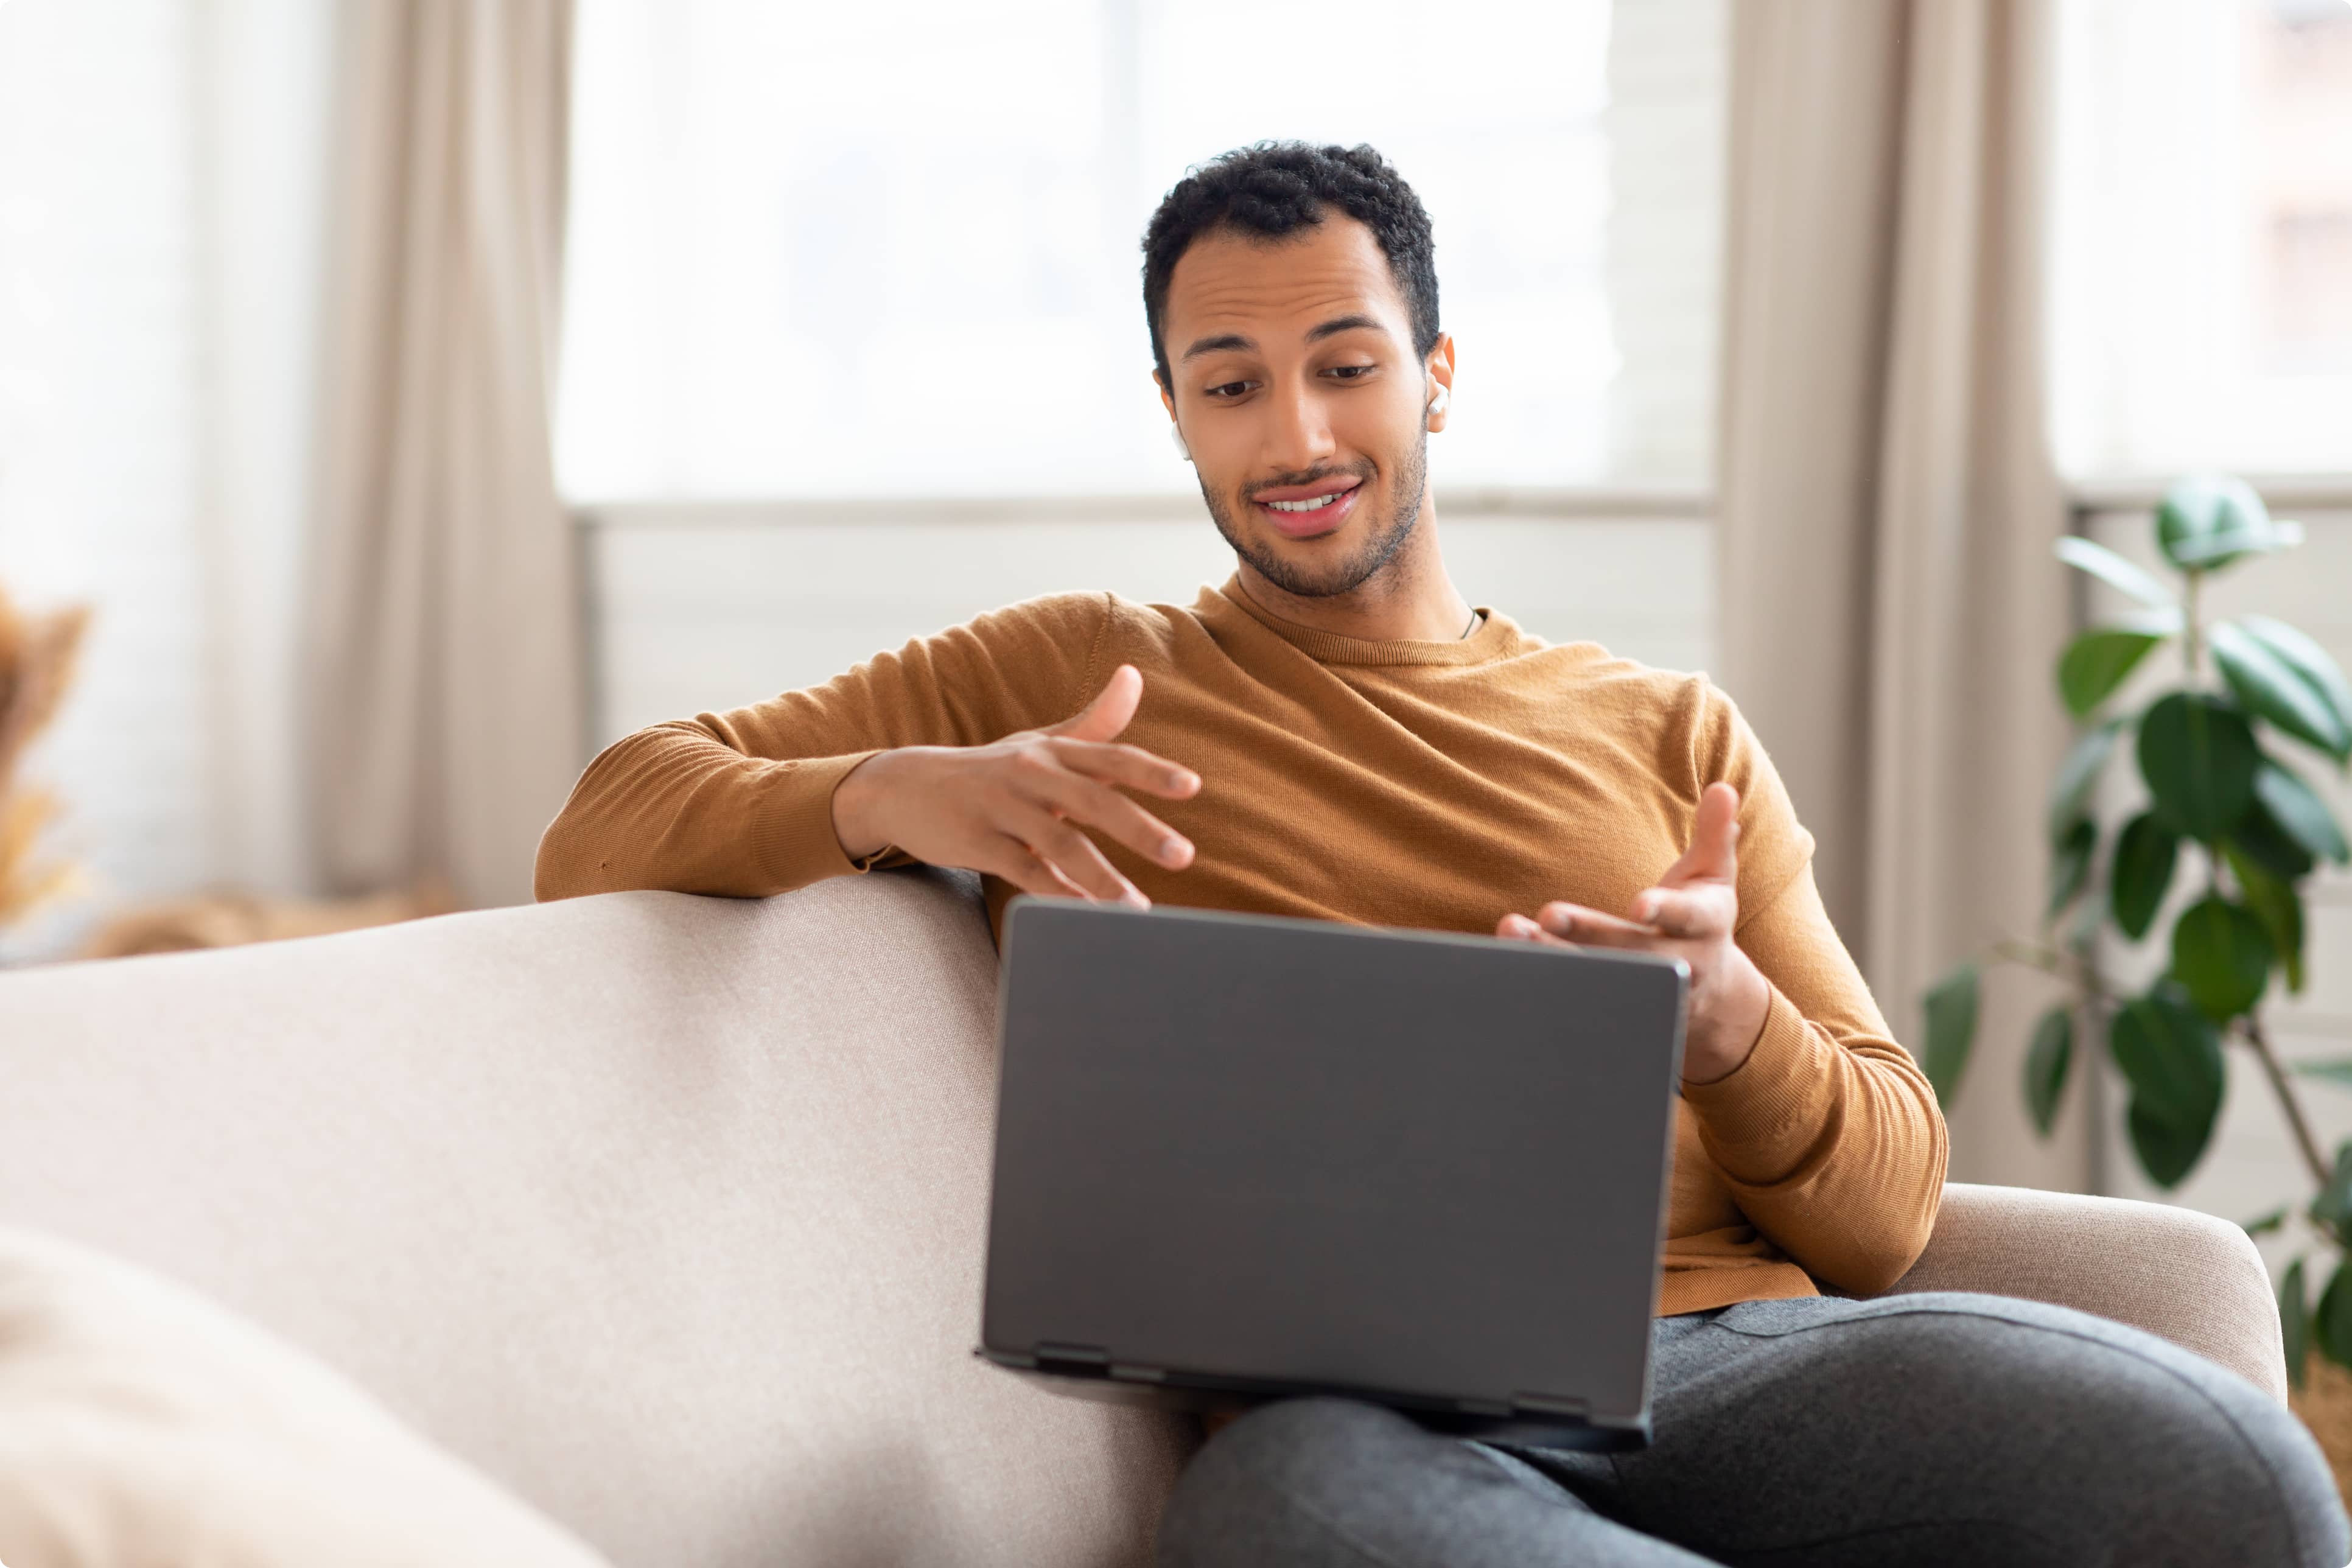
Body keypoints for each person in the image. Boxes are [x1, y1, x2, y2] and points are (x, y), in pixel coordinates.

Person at [534, 142, 2345, 1566]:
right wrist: (889, 795)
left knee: (2232, 1484)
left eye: (1346, 364)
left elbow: (1885, 1219)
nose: (1298, 436)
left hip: (1726, 1362)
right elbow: (598, 823)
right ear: (1171, 406)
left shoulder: (1667, 730)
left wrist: (1724, 1029)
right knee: (1279, 1521)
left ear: (1440, 373)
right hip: (1357, 1431)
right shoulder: (1075, 670)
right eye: (1229, 383)